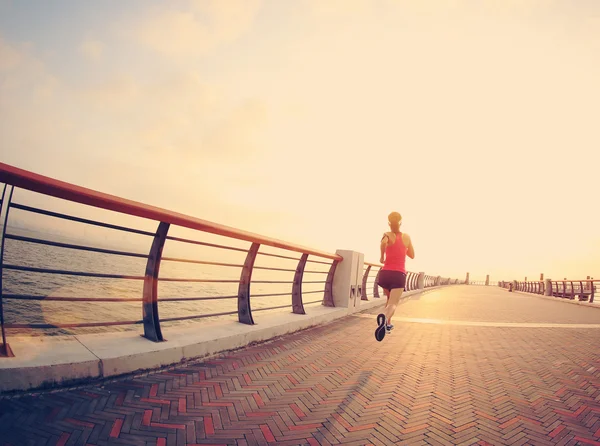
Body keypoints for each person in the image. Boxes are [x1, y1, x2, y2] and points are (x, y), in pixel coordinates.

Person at [375, 212, 415, 341]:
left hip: (385, 273)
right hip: (398, 274)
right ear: (400, 222)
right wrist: (403, 249)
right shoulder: (406, 237)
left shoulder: (387, 235)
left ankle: (387, 324)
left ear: (389, 223)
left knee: (389, 299)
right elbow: (412, 255)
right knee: (393, 304)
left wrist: (382, 256)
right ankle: (384, 316)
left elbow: (383, 244)